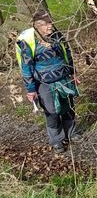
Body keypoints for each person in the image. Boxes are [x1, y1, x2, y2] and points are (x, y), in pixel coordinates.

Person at [16, 10, 78, 152]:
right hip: (44, 83)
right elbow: (26, 68)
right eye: (45, 24)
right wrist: (31, 89)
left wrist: (73, 72)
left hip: (63, 78)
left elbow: (67, 54)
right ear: (37, 26)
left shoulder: (57, 35)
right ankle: (56, 139)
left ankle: (71, 133)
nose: (50, 26)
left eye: (50, 22)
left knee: (68, 107)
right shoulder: (29, 42)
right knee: (52, 112)